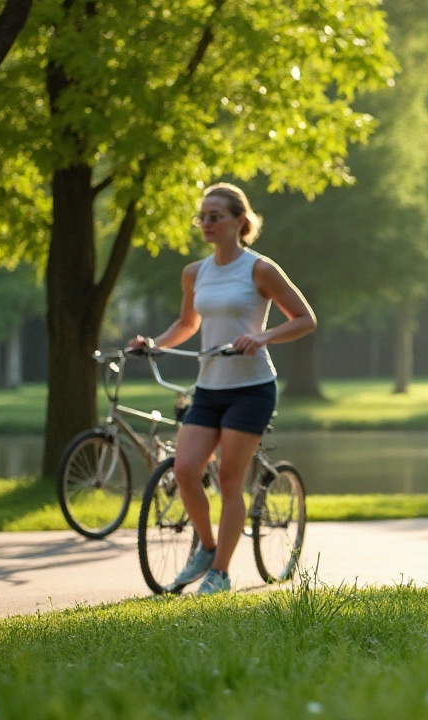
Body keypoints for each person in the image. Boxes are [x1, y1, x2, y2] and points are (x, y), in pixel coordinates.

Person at [128, 182, 316, 595]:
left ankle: (221, 574)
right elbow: (187, 324)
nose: (207, 223)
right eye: (203, 217)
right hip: (209, 387)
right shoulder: (194, 273)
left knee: (231, 480)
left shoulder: (259, 269)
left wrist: (262, 337)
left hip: (252, 387)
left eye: (216, 216)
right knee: (185, 470)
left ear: (240, 222)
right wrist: (154, 344)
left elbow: (305, 319)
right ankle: (208, 549)